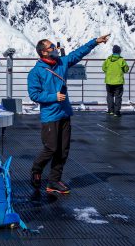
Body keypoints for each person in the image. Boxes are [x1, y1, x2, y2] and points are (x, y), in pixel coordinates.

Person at [28, 34, 110, 194]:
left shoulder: (61, 63)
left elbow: (78, 53)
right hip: (50, 116)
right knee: (51, 148)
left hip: (64, 113)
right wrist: (54, 97)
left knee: (63, 150)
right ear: (44, 52)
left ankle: (54, 181)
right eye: (52, 47)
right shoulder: (35, 72)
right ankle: (36, 169)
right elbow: (34, 95)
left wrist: (95, 42)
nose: (56, 49)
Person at [101, 45, 129, 117]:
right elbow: (126, 70)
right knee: (118, 97)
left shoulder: (108, 59)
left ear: (113, 51)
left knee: (109, 96)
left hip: (109, 81)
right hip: (118, 82)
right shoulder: (121, 60)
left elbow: (103, 68)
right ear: (119, 52)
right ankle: (116, 112)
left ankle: (110, 110)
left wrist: (109, 72)